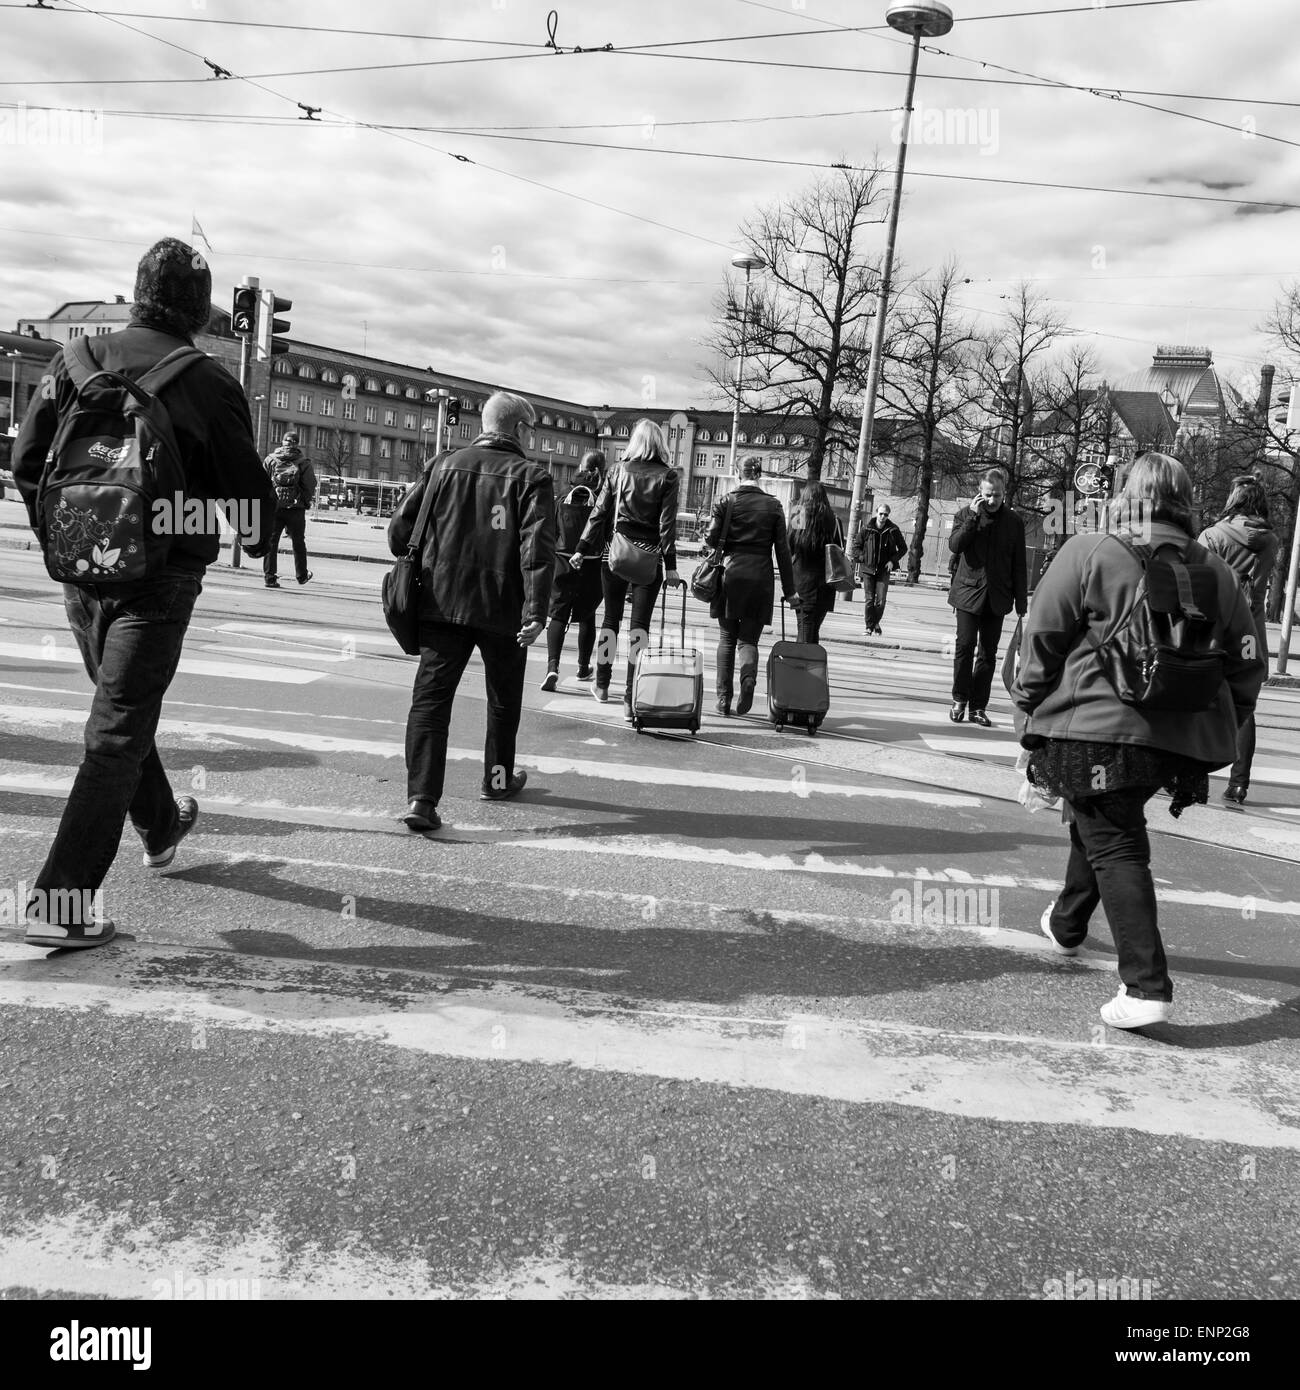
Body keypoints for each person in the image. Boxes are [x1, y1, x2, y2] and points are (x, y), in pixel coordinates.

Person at [12, 238, 278, 949]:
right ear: (199, 310)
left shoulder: (74, 360)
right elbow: (246, 497)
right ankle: (60, 906)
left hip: (82, 572)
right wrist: (254, 535)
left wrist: (66, 531)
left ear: (136, 291)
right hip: (158, 581)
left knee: (120, 714)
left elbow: (26, 461)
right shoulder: (208, 381)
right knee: (119, 727)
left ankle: (161, 825)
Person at [1011, 453, 1264, 1030]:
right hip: (1179, 736)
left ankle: (1146, 984)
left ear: (1128, 492)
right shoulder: (1215, 569)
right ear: (1184, 498)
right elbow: (1248, 661)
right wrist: (1225, 715)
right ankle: (1068, 923)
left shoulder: (1092, 549)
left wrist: (1028, 709)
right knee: (1102, 813)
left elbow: (1042, 636)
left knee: (1114, 837)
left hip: (1096, 725)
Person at [390, 391, 555, 833]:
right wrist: (536, 610)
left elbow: (399, 531)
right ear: (518, 429)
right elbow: (536, 549)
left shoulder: (442, 465)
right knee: (503, 701)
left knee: (430, 699)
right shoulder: (531, 477)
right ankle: (497, 781)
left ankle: (422, 800)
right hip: (503, 607)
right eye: (531, 429)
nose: (532, 437)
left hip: (442, 603)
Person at [571, 419, 682, 721]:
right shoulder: (668, 477)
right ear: (660, 444)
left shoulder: (617, 471)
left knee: (610, 620)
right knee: (639, 630)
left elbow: (599, 512)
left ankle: (603, 684)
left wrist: (582, 548)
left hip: (616, 555)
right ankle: (631, 697)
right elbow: (667, 524)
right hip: (649, 560)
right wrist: (671, 566)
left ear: (633, 442)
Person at [1198, 473, 1280, 805]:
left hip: (1216, 631)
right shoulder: (1270, 540)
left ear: (1233, 500)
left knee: (1200, 702)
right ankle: (1239, 784)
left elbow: (1199, 582)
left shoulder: (1213, 536)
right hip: (1252, 634)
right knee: (1243, 709)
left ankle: (1194, 777)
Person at [705, 456, 799, 716]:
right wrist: (790, 591)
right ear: (759, 476)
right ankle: (748, 679)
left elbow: (712, 538)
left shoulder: (726, 501)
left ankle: (723, 699)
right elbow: (783, 551)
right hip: (760, 578)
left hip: (730, 575)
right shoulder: (773, 506)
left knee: (726, 639)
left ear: (738, 474)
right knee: (748, 641)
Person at [947, 468, 1027, 727]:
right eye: (988, 495)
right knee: (964, 646)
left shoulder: (1014, 522)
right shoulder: (964, 515)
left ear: (1005, 493)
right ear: (980, 493)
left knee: (987, 654)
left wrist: (1021, 602)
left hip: (997, 597)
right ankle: (960, 699)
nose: (993, 501)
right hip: (968, 593)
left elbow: (1018, 563)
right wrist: (972, 518)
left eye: (998, 495)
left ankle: (978, 707)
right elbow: (956, 545)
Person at [541, 450, 605, 690]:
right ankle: (582, 667)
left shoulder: (564, 496)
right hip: (591, 562)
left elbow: (551, 530)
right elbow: (606, 532)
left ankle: (552, 667)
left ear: (580, 467)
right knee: (588, 615)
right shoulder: (601, 498)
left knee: (557, 614)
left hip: (562, 561)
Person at [787, 480, 844, 645]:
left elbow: (789, 546)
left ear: (804, 496)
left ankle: (802, 667)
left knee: (804, 628)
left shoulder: (798, 515)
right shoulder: (834, 520)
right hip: (825, 584)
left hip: (802, 582)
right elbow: (838, 551)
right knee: (813, 629)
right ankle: (811, 665)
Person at [262, 430, 316, 588]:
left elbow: (261, 482)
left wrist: (267, 502)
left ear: (282, 442)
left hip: (274, 508)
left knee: (271, 542)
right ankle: (301, 576)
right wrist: (304, 502)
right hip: (296, 509)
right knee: (298, 542)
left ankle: (270, 577)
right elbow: (310, 485)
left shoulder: (270, 460)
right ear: (297, 444)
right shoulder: (303, 462)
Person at [852, 501, 907, 635]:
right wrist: (862, 557)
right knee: (869, 600)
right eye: (880, 513)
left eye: (885, 514)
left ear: (888, 516)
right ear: (876, 513)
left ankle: (875, 622)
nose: (882, 516)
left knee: (880, 601)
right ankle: (869, 627)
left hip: (884, 570)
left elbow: (903, 548)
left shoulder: (893, 530)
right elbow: (856, 546)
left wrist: (892, 561)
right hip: (868, 570)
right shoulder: (867, 528)